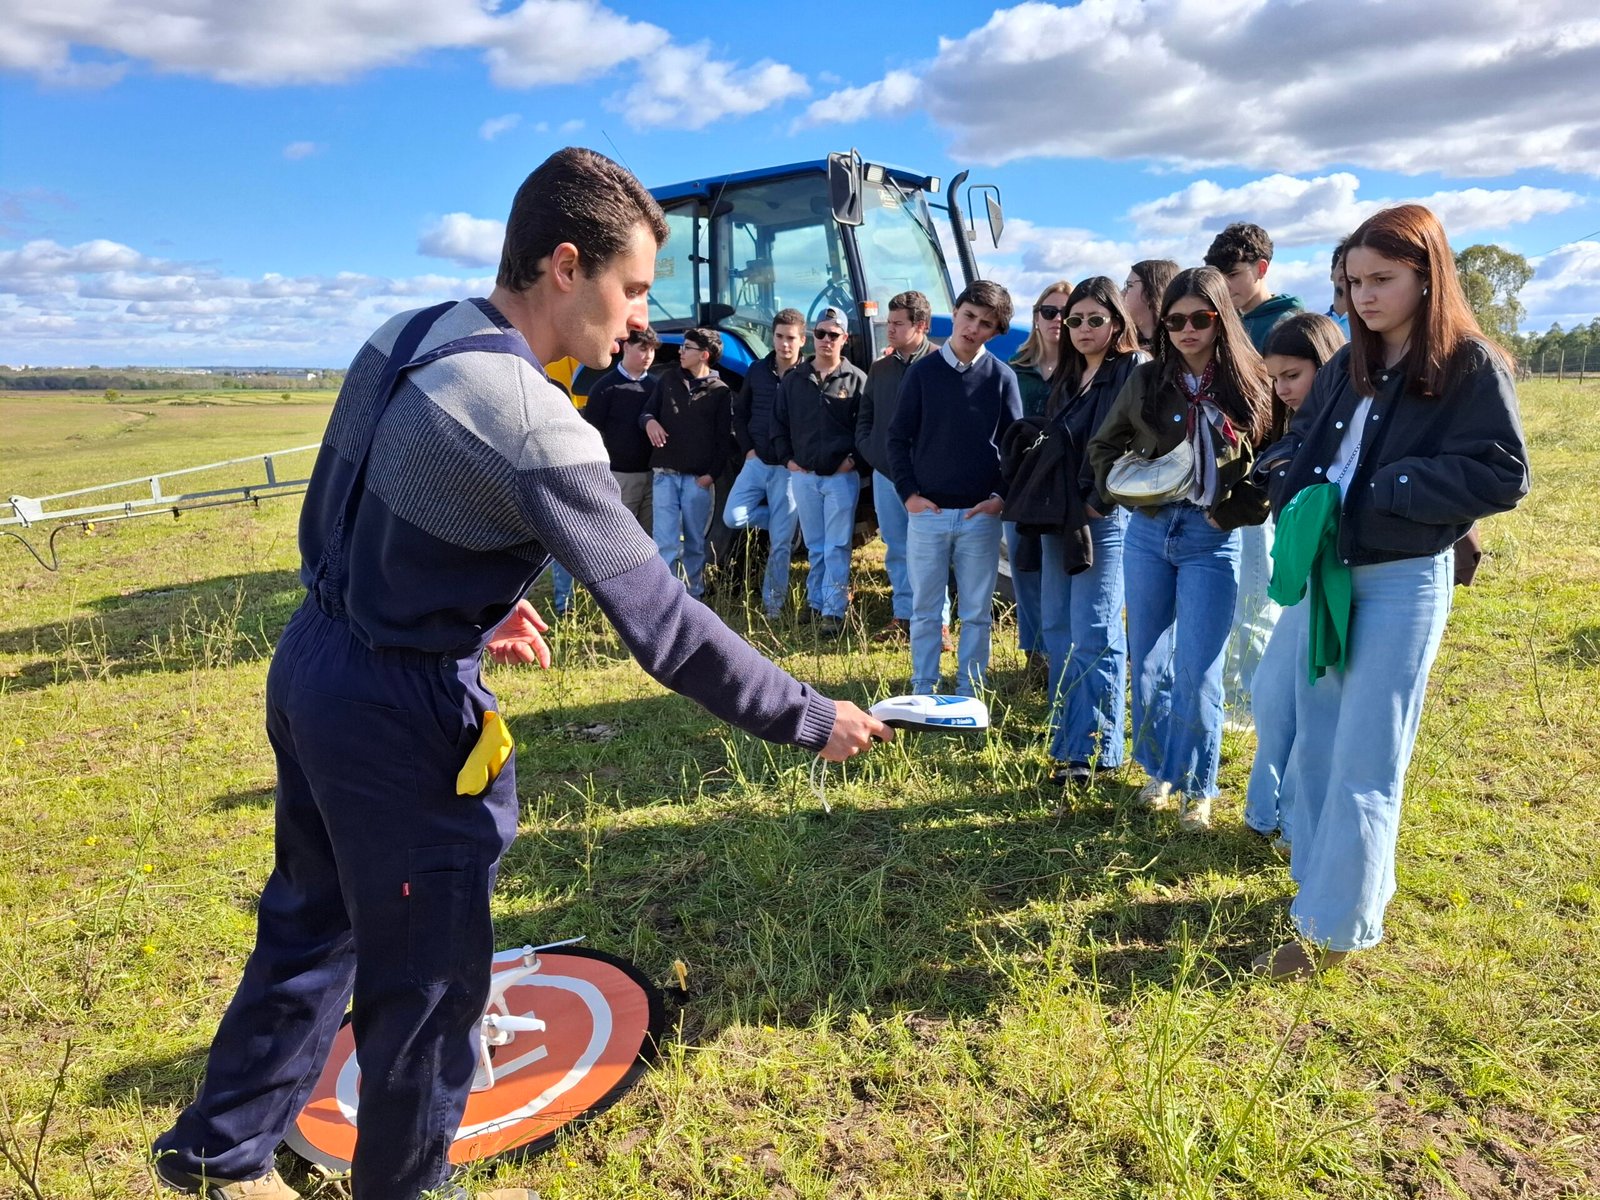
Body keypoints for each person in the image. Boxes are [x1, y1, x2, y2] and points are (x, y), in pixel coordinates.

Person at [150, 147, 891, 1200]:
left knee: (312, 923)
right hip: (399, 712)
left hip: (313, 660)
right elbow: (667, 630)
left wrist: (470, 597)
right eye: (633, 288)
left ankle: (217, 1155)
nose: (643, 318)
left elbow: (360, 497)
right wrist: (809, 715)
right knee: (430, 984)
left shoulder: (407, 331)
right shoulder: (538, 422)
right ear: (562, 267)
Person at [1255, 204, 1529, 979]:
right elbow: (1309, 443)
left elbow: (1504, 472)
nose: (1364, 296)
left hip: (1403, 577)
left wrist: (1386, 489)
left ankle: (1335, 931)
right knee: (1317, 739)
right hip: (1324, 569)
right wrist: (1290, 489)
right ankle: (1319, 886)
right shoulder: (1350, 359)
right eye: (1353, 282)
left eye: (1382, 280)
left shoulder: (1470, 364)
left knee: (1367, 753)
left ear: (1426, 275)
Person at [1087, 266, 1274, 832]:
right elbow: (1104, 444)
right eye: (1175, 321)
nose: (1187, 329)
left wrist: (1231, 512)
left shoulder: (1250, 383)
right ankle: (1160, 768)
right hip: (1148, 533)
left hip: (1208, 538)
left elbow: (1275, 460)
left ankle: (1200, 787)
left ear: (1222, 319)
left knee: (1199, 668)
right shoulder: (1148, 381)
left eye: (1200, 318)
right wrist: (1121, 489)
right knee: (1145, 661)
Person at [1242, 312, 1348, 848]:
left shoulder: (1343, 432)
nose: (1282, 389)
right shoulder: (1295, 432)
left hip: (1333, 587)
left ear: (1326, 369)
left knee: (1305, 707)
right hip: (1302, 589)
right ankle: (1267, 812)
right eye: (1274, 377)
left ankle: (1290, 822)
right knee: (1272, 694)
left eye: (1293, 375)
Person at [889, 280, 1023, 696]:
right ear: (956, 310)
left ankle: (971, 690)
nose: (972, 328)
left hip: (978, 517)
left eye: (985, 324)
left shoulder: (1001, 377)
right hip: (927, 514)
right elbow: (896, 437)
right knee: (926, 609)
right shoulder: (922, 373)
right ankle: (924, 686)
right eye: (968, 316)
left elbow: (1015, 444)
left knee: (977, 611)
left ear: (996, 331)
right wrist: (909, 494)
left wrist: (999, 496)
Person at [1037, 277, 1146, 785]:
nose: (1080, 329)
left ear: (1117, 323)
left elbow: (1138, 445)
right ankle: (1069, 737)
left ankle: (1096, 749)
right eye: (1072, 320)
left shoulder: (1132, 370)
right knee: (1057, 629)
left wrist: (1103, 501)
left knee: (1096, 633)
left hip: (1103, 519)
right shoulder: (1068, 374)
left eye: (1094, 320)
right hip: (1062, 515)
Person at [1205, 223, 1303, 731]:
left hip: (1263, 480)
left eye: (1236, 275)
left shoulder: (1284, 324)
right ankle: (1228, 691)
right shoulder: (1229, 321)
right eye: (1218, 276)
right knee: (1231, 591)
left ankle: (1249, 704)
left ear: (1262, 269)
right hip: (1225, 476)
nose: (1228, 286)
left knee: (1258, 595)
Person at [855, 290, 948, 645]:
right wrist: (872, 451)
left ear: (921, 326)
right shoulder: (880, 369)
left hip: (927, 477)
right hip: (886, 475)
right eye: (889, 323)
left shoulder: (941, 365)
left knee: (931, 549)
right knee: (896, 547)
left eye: (897, 324)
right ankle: (904, 616)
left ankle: (937, 623)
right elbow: (865, 418)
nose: (889, 330)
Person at [772, 306, 868, 636]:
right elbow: (778, 424)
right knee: (815, 545)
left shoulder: (857, 380)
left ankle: (834, 611)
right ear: (813, 337)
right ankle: (815, 604)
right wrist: (788, 460)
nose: (826, 340)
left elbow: (866, 429)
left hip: (841, 478)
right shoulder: (794, 380)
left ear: (845, 338)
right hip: (804, 476)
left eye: (833, 334)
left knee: (838, 544)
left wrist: (852, 460)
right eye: (820, 333)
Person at [1006, 280, 1074, 677]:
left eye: (1067, 313)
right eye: (1049, 312)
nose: (1057, 320)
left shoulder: (1083, 372)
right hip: (1024, 488)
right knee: (1025, 570)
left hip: (1065, 489)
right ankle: (1035, 657)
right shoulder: (1015, 371)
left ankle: (1063, 654)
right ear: (1035, 317)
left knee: (1063, 571)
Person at [723, 309, 806, 618]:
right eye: (780, 337)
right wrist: (747, 450)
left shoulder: (807, 375)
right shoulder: (757, 370)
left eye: (791, 338)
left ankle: (773, 606)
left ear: (802, 340)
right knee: (733, 517)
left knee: (780, 546)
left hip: (788, 469)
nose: (785, 344)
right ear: (772, 337)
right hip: (757, 462)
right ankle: (784, 522)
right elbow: (741, 413)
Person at [641, 327, 732, 598]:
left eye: (687, 347)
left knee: (695, 542)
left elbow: (724, 440)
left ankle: (694, 596)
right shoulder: (668, 379)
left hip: (697, 480)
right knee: (665, 541)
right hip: (665, 476)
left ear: (704, 355)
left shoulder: (721, 392)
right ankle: (665, 599)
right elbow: (646, 412)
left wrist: (710, 476)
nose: (680, 351)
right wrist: (650, 422)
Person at [1123, 259, 1180, 350]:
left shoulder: (1180, 347)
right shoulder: (1121, 346)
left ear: (1153, 292)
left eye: (1129, 286)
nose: (1122, 293)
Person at [1327, 237, 1351, 337]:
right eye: (1342, 266)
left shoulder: (1371, 325)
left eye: (1351, 266)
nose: (1346, 271)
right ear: (1332, 274)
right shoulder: (1316, 326)